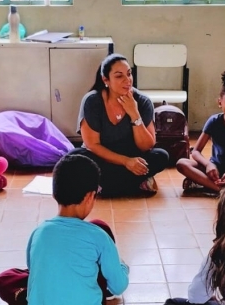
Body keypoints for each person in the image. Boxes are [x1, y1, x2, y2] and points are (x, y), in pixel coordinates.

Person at [0, 154, 129, 305]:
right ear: (91, 196)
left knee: (8, 278)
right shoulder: (98, 236)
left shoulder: (38, 231)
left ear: (54, 193)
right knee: (100, 229)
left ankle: (47, 299)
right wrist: (122, 265)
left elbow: (32, 271)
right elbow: (119, 286)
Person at [71, 53, 169, 197]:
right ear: (106, 80)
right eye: (119, 76)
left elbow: (146, 145)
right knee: (73, 159)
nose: (127, 80)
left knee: (161, 156)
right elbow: (92, 145)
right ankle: (135, 184)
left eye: (129, 74)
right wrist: (125, 162)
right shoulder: (92, 101)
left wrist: (134, 114)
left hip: (133, 154)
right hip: (102, 156)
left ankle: (102, 186)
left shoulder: (142, 101)